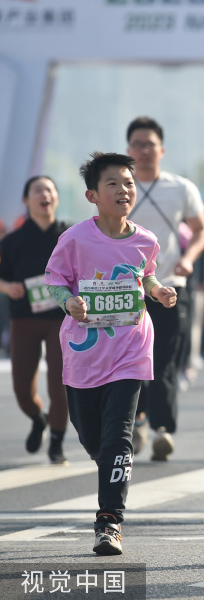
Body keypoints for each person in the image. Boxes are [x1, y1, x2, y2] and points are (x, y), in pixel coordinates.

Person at [44, 152, 177, 555]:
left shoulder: (145, 240)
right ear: (92, 196)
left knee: (119, 436)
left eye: (128, 183)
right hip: (84, 353)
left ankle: (109, 522)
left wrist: (158, 291)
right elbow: (55, 281)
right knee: (94, 440)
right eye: (113, 184)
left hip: (131, 349)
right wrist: (69, 303)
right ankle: (109, 467)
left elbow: (146, 273)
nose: (123, 190)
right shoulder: (75, 239)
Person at [125, 116, 204, 462]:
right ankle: (138, 421)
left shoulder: (181, 188)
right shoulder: (120, 187)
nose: (144, 151)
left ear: (162, 149)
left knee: (165, 359)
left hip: (171, 286)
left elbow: (201, 230)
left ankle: (163, 429)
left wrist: (188, 258)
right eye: (137, 145)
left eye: (150, 144)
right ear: (128, 150)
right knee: (131, 361)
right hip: (125, 289)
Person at [0, 176, 70, 463]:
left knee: (60, 383)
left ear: (56, 198)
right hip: (24, 318)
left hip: (62, 319)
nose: (45, 195)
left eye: (50, 190)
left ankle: (56, 441)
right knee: (21, 389)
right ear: (27, 200)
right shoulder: (13, 240)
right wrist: (6, 287)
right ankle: (37, 417)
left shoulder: (70, 236)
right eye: (37, 190)